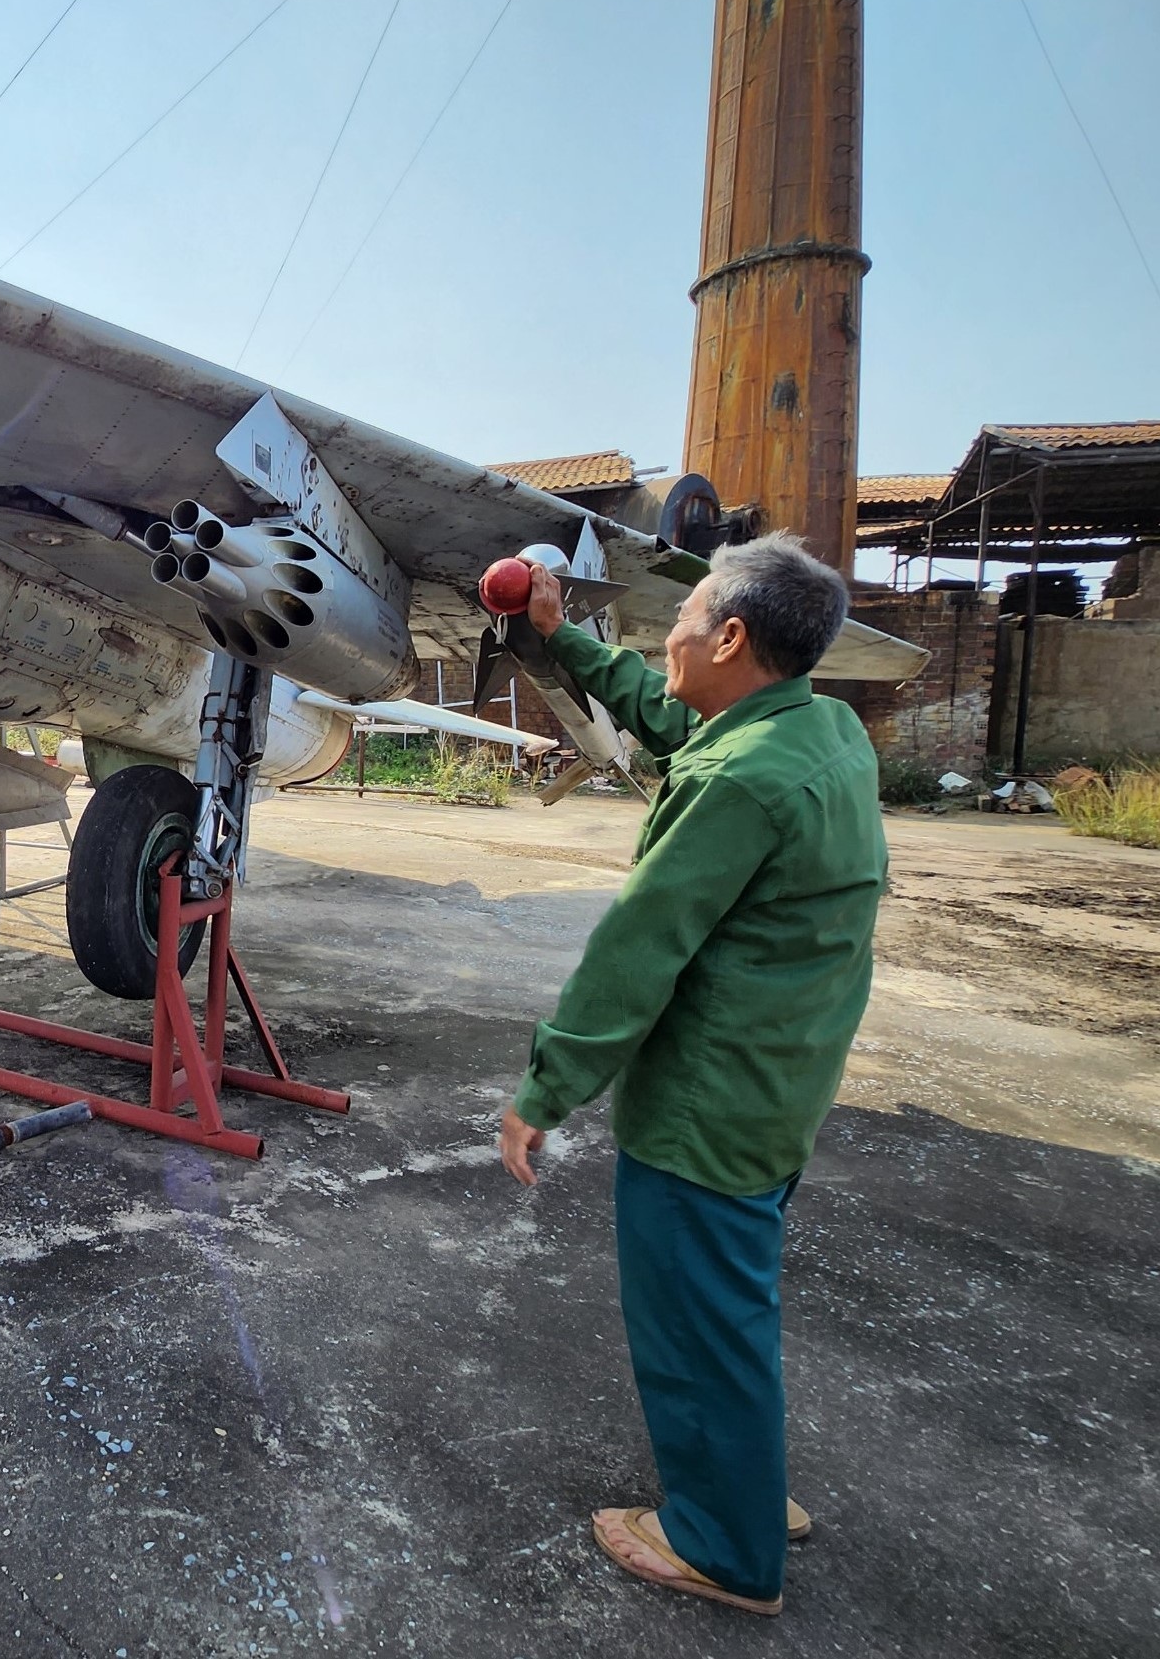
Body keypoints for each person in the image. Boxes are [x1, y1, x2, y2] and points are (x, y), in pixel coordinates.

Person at [497, 536, 887, 1617]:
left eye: (682, 618)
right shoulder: (816, 729)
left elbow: (638, 946)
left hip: (705, 1107)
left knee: (691, 1315)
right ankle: (748, 1490)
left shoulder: (737, 781)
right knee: (733, 1302)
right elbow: (670, 713)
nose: (660, 637)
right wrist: (558, 636)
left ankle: (722, 1545)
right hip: (780, 1082)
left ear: (727, 636)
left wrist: (544, 1088)